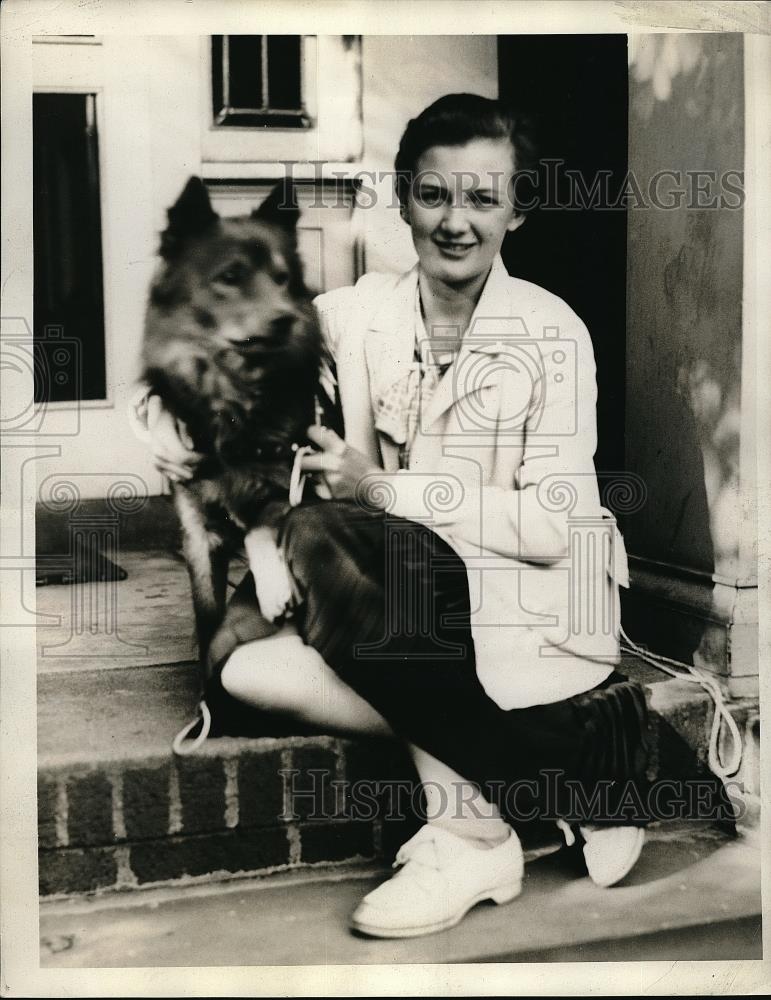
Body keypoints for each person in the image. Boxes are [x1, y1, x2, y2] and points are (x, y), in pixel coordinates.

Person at [134, 94, 649, 939]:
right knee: (239, 670)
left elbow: (556, 527)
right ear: (404, 196)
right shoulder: (352, 315)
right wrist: (169, 419)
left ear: (516, 212)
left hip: (528, 605)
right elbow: (221, 361)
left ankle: (471, 833)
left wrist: (383, 489)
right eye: (435, 195)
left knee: (329, 537)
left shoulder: (553, 331)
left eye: (483, 199)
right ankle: (557, 769)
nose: (456, 222)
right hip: (396, 602)